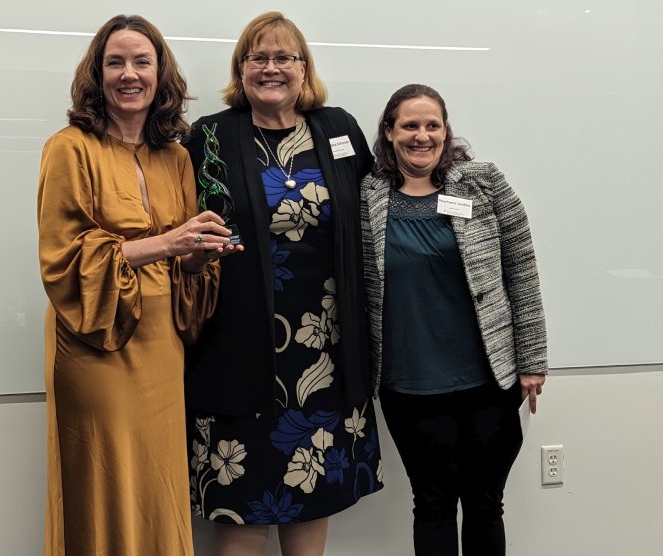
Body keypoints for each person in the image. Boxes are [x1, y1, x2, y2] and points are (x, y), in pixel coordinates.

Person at [37, 15, 239, 556]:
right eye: (115, 62)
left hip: (162, 348)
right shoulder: (69, 148)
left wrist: (199, 255)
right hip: (93, 345)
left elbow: (186, 266)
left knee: (158, 481)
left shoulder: (176, 156)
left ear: (160, 73)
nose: (129, 74)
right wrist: (170, 244)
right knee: (105, 482)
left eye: (141, 62)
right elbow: (65, 257)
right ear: (96, 75)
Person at [182, 12, 383, 556]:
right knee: (240, 511)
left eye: (283, 57)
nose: (271, 68)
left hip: (326, 356)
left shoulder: (338, 129)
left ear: (303, 68)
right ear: (241, 69)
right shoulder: (212, 137)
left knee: (311, 505)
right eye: (258, 58)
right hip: (239, 355)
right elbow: (185, 232)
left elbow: (373, 214)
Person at [360, 83, 548, 555]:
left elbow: (521, 271)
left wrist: (533, 359)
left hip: (489, 380)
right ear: (389, 131)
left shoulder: (484, 183)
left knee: (486, 504)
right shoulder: (366, 197)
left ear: (446, 132)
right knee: (433, 504)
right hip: (410, 385)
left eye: (432, 125)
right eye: (409, 125)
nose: (421, 136)